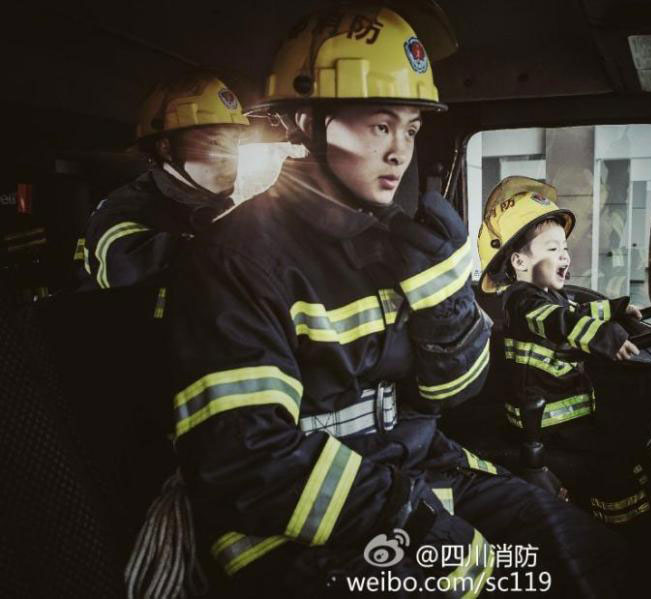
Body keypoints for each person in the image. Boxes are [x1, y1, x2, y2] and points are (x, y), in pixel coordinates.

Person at [163, 4, 626, 597]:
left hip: (408, 476)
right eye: (380, 125)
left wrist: (447, 303)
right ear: (307, 121)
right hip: (291, 529)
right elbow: (248, 462)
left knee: (583, 556)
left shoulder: (394, 242)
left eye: (410, 128)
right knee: (499, 583)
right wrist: (419, 520)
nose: (400, 151)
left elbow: (454, 396)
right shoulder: (235, 259)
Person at [477, 176, 651, 529]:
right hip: (549, 420)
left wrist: (615, 310)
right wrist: (604, 337)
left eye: (564, 247)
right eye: (552, 249)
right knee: (612, 455)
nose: (564, 255)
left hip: (559, 412)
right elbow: (559, 322)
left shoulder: (549, 294)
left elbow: (576, 311)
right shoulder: (523, 302)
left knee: (619, 434)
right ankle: (621, 527)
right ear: (518, 262)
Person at [75, 72, 248, 291]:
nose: (230, 154)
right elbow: (132, 270)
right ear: (166, 149)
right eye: (214, 141)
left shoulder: (217, 209)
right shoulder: (120, 211)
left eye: (235, 140)